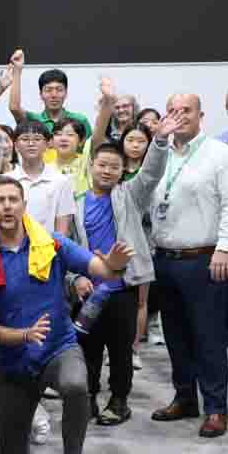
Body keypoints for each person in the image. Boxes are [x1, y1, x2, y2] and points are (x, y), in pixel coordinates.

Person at [0, 177, 132, 454]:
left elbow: (100, 268)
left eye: (13, 199)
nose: (7, 206)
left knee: (75, 385)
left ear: (24, 205)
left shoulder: (53, 243)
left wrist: (113, 265)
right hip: (13, 360)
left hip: (58, 347)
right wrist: (25, 335)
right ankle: (30, 415)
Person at [144, 98, 228, 438]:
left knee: (209, 336)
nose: (180, 117)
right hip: (165, 257)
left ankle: (216, 408)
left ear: (201, 116)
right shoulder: (160, 153)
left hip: (205, 258)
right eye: (173, 111)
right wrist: (158, 142)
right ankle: (185, 397)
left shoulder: (220, 155)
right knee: (175, 335)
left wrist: (224, 247)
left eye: (187, 111)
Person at [67, 141, 167, 426]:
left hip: (123, 289)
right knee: (87, 349)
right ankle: (88, 397)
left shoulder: (130, 196)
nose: (107, 171)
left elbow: (151, 173)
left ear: (123, 171)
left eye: (114, 166)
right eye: (102, 165)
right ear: (91, 167)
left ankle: (119, 401)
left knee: (121, 350)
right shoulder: (75, 204)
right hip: (88, 291)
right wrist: (76, 278)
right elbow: (67, 247)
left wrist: (160, 142)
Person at [0, 120, 76, 236]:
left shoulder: (61, 181)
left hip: (48, 245)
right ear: (16, 146)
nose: (31, 144)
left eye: (37, 139)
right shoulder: (5, 180)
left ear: (48, 144)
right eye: (25, 139)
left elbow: (62, 230)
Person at [0, 50, 91, 141]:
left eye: (59, 89)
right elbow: (14, 108)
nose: (54, 95)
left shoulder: (80, 120)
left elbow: (91, 147)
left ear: (66, 93)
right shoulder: (33, 120)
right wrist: (17, 70)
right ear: (41, 94)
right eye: (48, 90)